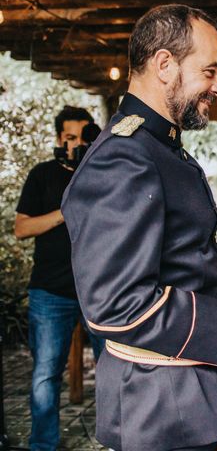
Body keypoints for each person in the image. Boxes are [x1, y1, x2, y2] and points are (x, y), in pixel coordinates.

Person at [61, 4, 217, 451]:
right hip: (156, 405)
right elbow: (115, 305)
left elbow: (181, 262)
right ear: (165, 64)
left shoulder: (161, 148)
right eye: (211, 71)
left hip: (178, 398)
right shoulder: (124, 157)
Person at [14, 105, 104, 451]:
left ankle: (116, 440)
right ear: (57, 139)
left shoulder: (100, 173)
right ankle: (43, 446)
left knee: (112, 369)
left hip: (97, 291)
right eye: (68, 138)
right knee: (45, 375)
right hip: (50, 292)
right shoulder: (42, 175)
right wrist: (63, 214)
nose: (75, 144)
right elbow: (21, 228)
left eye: (82, 137)